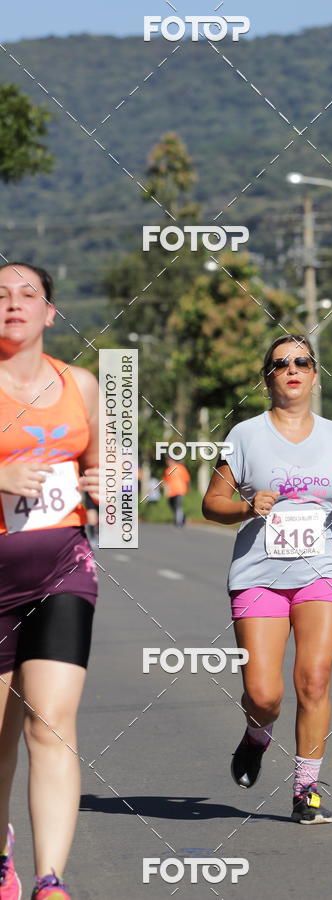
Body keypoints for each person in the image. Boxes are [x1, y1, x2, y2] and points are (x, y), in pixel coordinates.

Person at [202, 334, 332, 824]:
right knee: (263, 694)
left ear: (315, 375)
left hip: (322, 567)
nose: (292, 369)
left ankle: (307, 789)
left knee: (314, 680)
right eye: (281, 363)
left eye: (302, 361)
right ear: (268, 378)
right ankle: (257, 734)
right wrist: (243, 505)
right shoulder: (245, 435)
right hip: (259, 573)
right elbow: (211, 504)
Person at [0, 261, 100, 899]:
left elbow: (108, 472)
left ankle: (50, 880)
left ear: (50, 312)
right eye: (0, 296)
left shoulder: (81, 384)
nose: (13, 303)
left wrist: (105, 486)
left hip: (63, 565)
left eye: (27, 294)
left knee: (51, 722)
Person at [163, 456, 190, 527]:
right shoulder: (167, 470)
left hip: (180, 490)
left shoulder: (180, 468)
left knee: (177, 506)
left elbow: (187, 478)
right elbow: (165, 482)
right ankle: (182, 517)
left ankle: (178, 522)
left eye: (168, 461)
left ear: (172, 460)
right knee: (173, 506)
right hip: (171, 492)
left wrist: (188, 488)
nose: (167, 462)